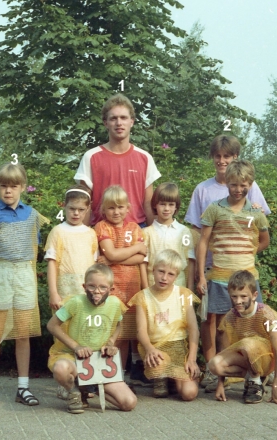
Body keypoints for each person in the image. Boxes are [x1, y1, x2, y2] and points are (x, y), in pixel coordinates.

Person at [184, 135, 270, 391]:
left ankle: (254, 372)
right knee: (214, 322)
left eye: (227, 156)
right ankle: (214, 370)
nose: (222, 160)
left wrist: (244, 252)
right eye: (218, 156)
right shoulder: (205, 192)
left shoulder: (251, 194)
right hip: (215, 270)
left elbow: (260, 235)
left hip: (243, 271)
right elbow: (199, 235)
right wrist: (200, 274)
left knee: (250, 320)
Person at [0, 163, 49, 408]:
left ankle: (23, 388)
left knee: (23, 334)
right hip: (0, 274)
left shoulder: (33, 215)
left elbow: (34, 247)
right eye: (4, 186)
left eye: (13, 186)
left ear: (22, 188)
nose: (8, 191)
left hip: (24, 276)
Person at [47, 264, 137, 413]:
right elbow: (52, 325)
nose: (97, 291)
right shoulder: (76, 302)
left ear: (111, 289)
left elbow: (118, 325)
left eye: (102, 287)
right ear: (84, 286)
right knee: (61, 368)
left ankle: (89, 387)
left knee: (129, 403)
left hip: (98, 361)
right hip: (72, 356)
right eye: (91, 286)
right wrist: (76, 347)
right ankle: (72, 390)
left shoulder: (115, 304)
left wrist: (111, 342)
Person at [45, 184, 99, 400]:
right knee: (63, 337)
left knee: (85, 335)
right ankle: (63, 381)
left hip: (84, 295)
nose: (76, 213)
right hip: (64, 294)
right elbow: (52, 263)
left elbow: (94, 267)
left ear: (87, 210)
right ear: (64, 207)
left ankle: (85, 381)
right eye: (71, 209)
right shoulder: (58, 232)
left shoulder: (90, 234)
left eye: (80, 210)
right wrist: (53, 293)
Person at [74, 93, 161, 226]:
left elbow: (148, 203)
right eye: (113, 118)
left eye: (123, 118)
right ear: (106, 123)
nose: (119, 123)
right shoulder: (91, 157)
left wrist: (151, 236)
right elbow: (84, 203)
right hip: (101, 231)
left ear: (131, 121)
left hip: (136, 230)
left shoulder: (145, 158)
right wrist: (84, 236)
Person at [208, 270, 277, 405]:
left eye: (243, 296)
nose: (238, 301)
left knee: (248, 344)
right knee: (214, 365)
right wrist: (220, 385)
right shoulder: (230, 316)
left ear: (254, 295)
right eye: (234, 296)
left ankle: (256, 384)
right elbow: (224, 349)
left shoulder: (266, 314)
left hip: (267, 358)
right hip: (246, 355)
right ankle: (254, 377)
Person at [93, 185, 148, 383]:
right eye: (111, 208)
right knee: (108, 333)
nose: (116, 212)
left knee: (123, 335)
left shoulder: (134, 228)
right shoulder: (102, 227)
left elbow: (141, 258)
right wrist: (135, 248)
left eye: (120, 207)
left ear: (128, 208)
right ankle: (101, 376)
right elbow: (114, 252)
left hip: (131, 288)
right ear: (104, 210)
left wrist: (113, 259)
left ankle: (119, 379)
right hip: (111, 288)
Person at [129, 249, 200, 400]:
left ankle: (174, 378)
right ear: (153, 269)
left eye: (170, 274)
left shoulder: (183, 294)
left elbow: (194, 329)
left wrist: (192, 359)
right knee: (159, 359)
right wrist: (149, 348)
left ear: (177, 275)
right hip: (154, 346)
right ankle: (161, 378)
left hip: (178, 346)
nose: (164, 278)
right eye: (161, 272)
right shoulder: (143, 296)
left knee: (189, 393)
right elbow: (141, 330)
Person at [143, 182, 193, 291]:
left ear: (176, 207)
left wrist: (189, 289)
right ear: (155, 205)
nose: (166, 208)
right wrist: (145, 289)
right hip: (152, 286)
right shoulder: (146, 233)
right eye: (162, 204)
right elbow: (143, 263)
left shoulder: (184, 232)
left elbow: (190, 263)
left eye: (171, 204)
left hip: (178, 287)